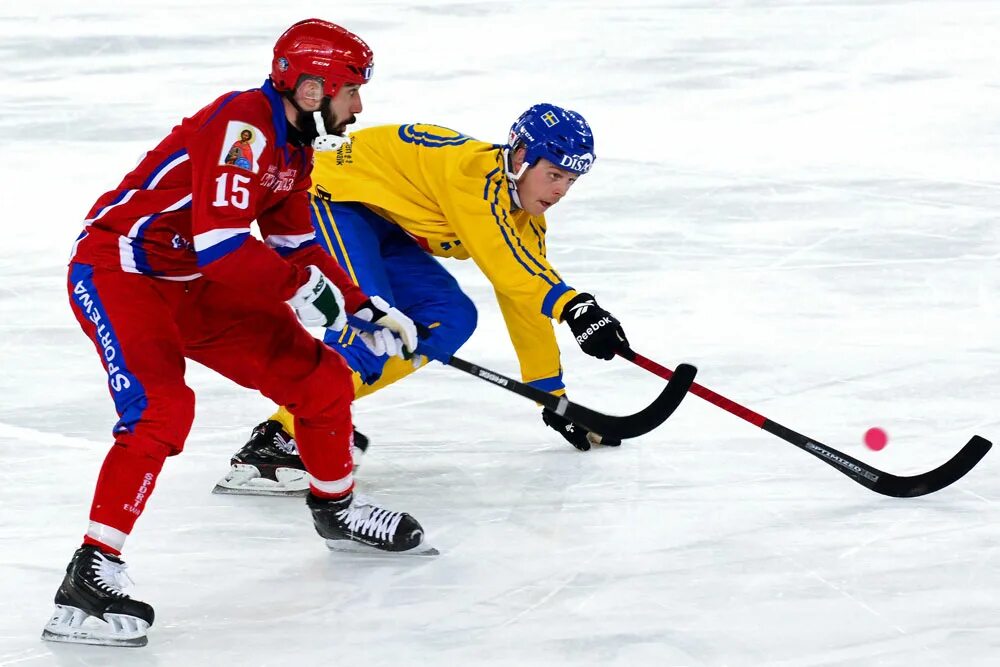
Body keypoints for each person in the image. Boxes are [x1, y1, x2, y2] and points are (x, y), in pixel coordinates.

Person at [42, 19, 429, 649]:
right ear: (310, 87)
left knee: (322, 379)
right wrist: (301, 290)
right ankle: (90, 570)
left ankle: (336, 511)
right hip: (122, 273)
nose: (357, 104)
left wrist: (362, 306)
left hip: (194, 280)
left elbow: (294, 242)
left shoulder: (294, 146)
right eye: (350, 89)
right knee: (162, 411)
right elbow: (222, 242)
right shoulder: (243, 126)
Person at [214, 103, 632, 497]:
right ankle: (279, 438)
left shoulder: (523, 217)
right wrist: (574, 307)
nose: (561, 191)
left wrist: (549, 392)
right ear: (521, 157)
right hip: (325, 199)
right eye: (554, 175)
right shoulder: (475, 177)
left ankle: (307, 416)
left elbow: (522, 291)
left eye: (570, 181)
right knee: (371, 324)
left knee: (448, 317)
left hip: (374, 218)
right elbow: (510, 269)